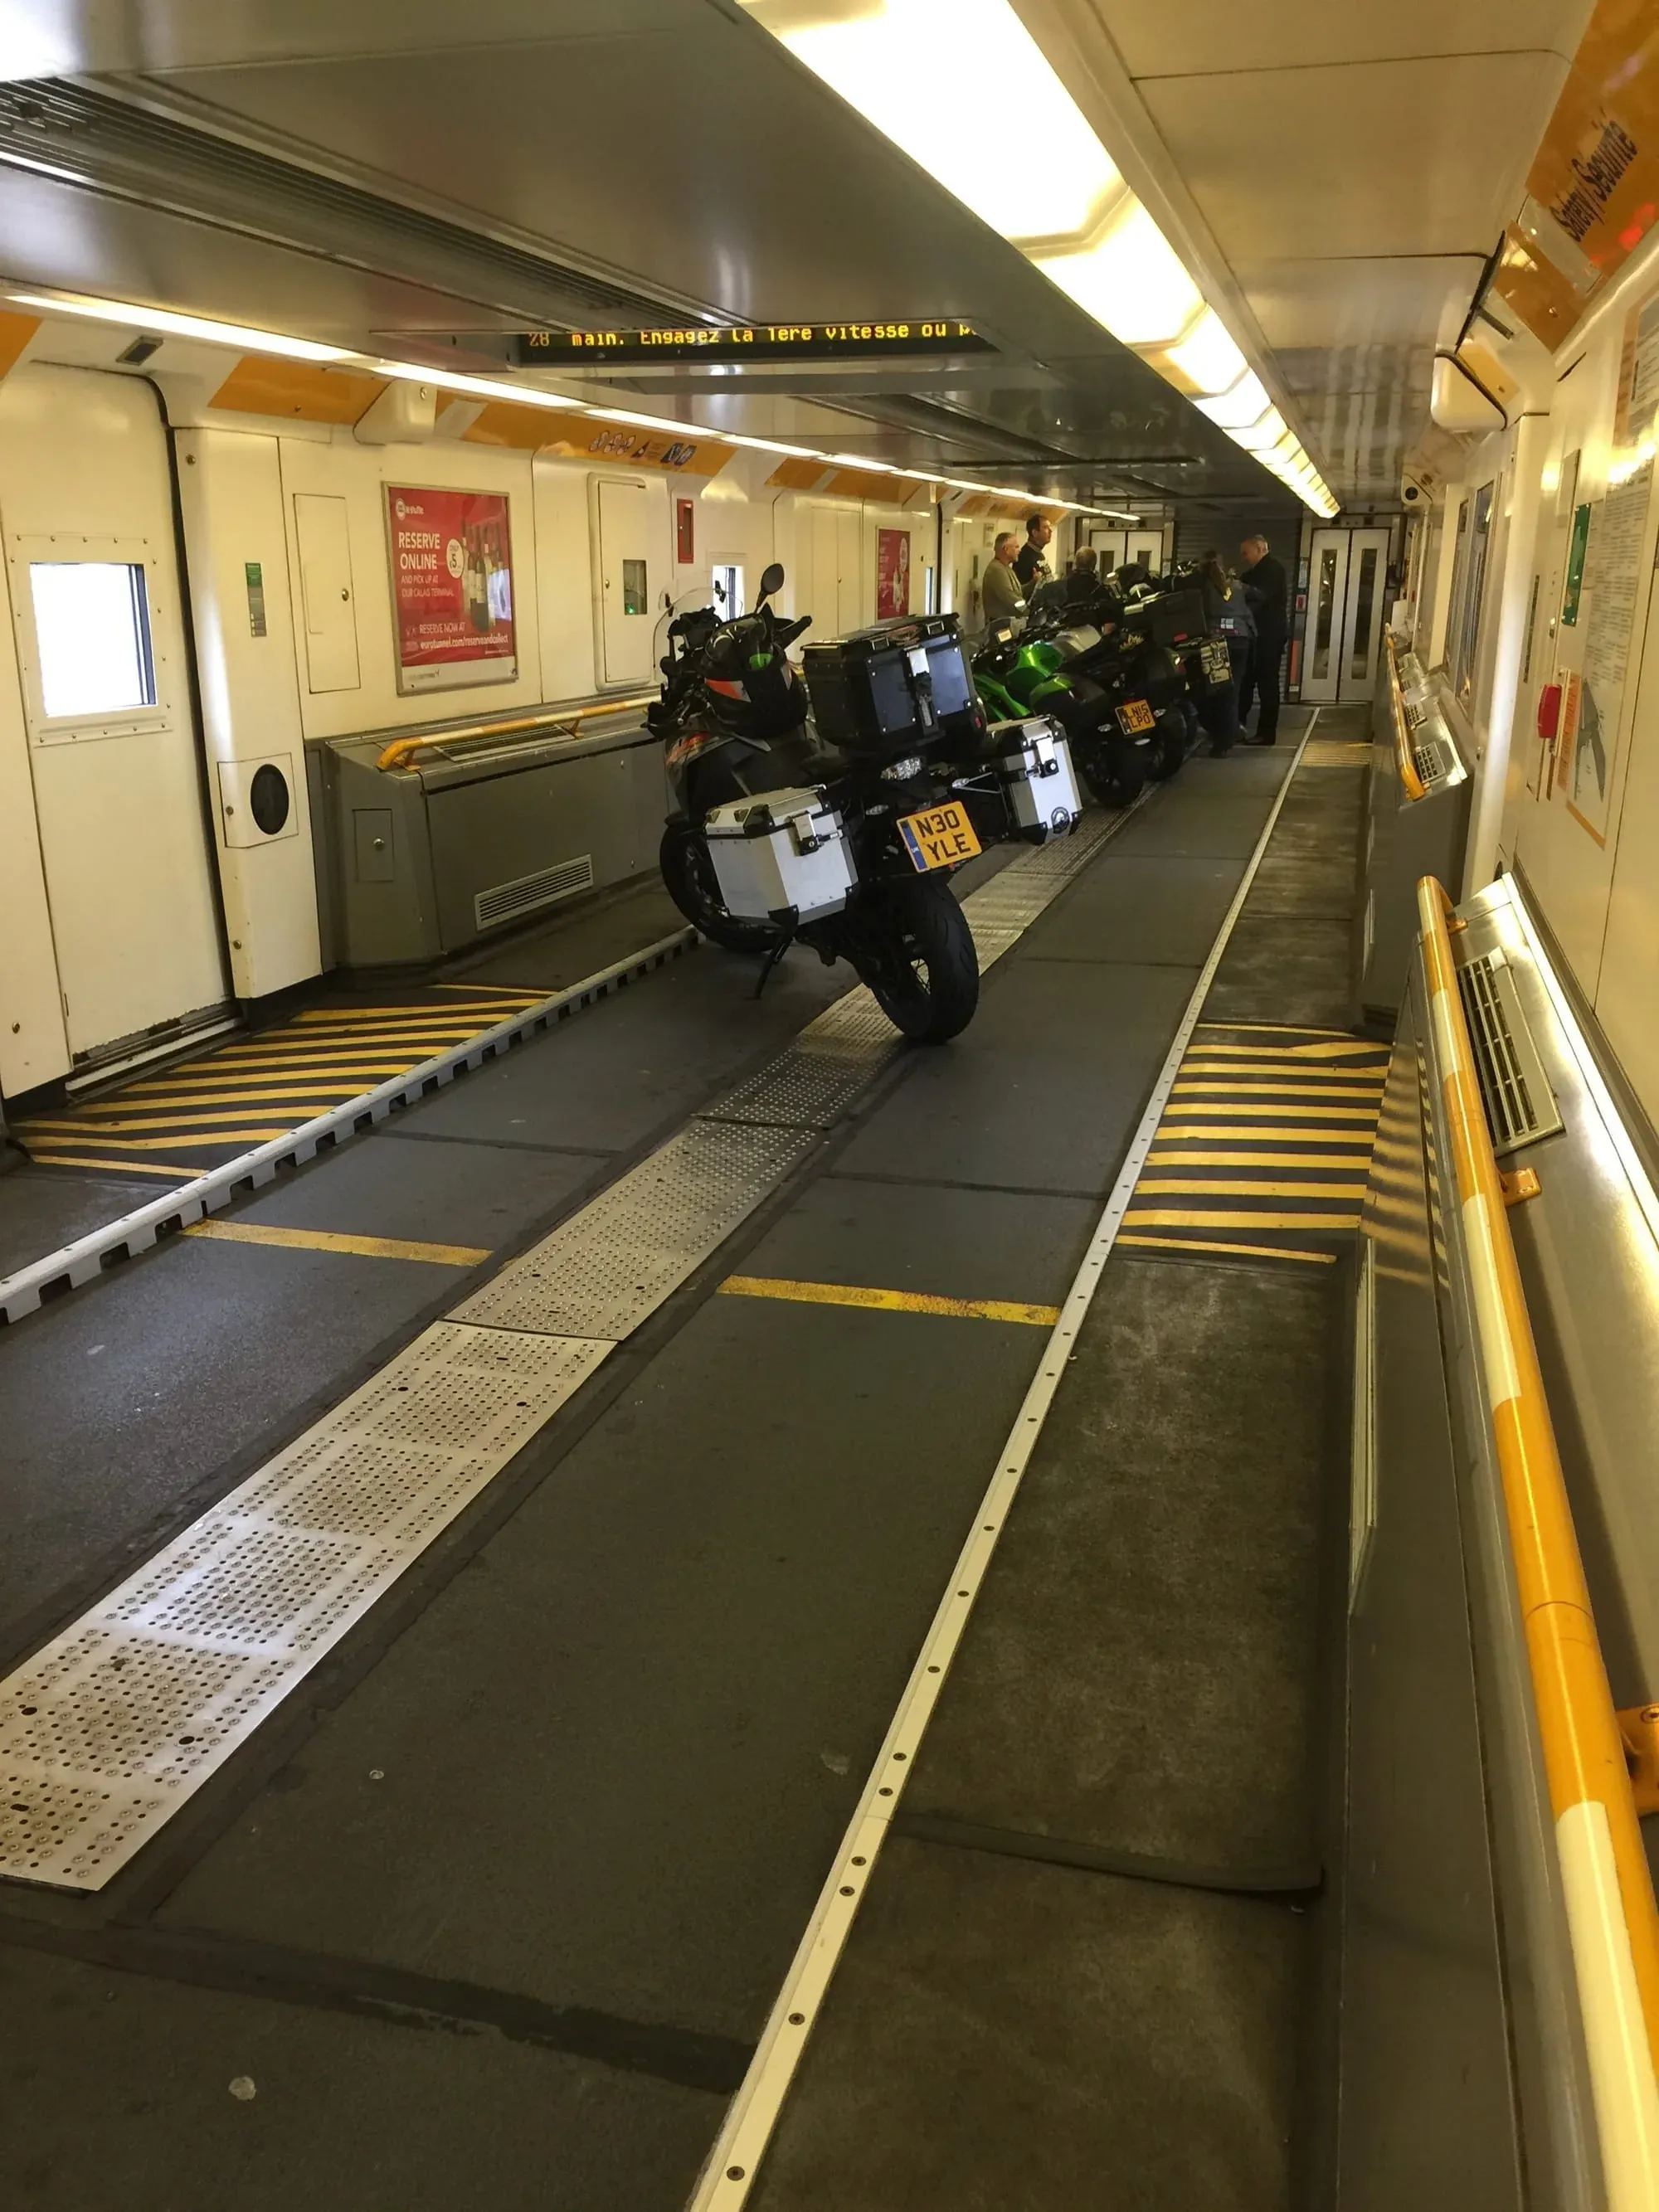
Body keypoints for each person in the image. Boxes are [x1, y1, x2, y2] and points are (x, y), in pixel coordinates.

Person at [1200, 552, 1255, 756]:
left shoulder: (1204, 587)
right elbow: (1259, 596)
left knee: (1218, 692)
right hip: (1240, 640)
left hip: (1216, 642)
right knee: (1232, 691)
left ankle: (1222, 742)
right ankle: (1230, 732)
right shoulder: (1237, 585)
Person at [1237, 532, 1288, 744]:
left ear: (1260, 548)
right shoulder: (1255, 572)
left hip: (1269, 636)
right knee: (1246, 681)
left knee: (1267, 685)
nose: (1244, 557)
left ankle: (1267, 733)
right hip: (1257, 635)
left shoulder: (1273, 570)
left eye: (1246, 553)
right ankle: (1237, 726)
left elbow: (1260, 596)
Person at [980, 532, 1024, 629]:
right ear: (1006, 550)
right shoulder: (996, 570)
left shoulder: (1006, 568)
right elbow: (1011, 599)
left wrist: (1034, 583)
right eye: (1016, 547)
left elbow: (1019, 591)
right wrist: (1030, 611)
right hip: (999, 627)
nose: (1019, 550)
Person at [1013, 512, 1053, 596]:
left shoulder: (1039, 554)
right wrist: (1032, 583)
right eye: (1045, 527)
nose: (1050, 531)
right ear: (1035, 533)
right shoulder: (1024, 557)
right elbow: (1018, 592)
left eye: (1050, 527)